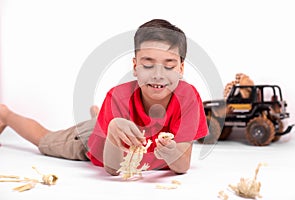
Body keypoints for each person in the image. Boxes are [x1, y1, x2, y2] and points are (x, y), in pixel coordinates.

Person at [0, 19, 208, 175]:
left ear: (181, 68)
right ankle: (6, 115)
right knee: (45, 141)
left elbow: (182, 167)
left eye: (169, 65)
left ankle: (99, 115)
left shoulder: (188, 97)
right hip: (98, 141)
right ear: (135, 67)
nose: (158, 74)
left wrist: (172, 153)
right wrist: (113, 134)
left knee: (107, 118)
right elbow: (112, 169)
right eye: (148, 64)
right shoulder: (118, 97)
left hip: (116, 122)